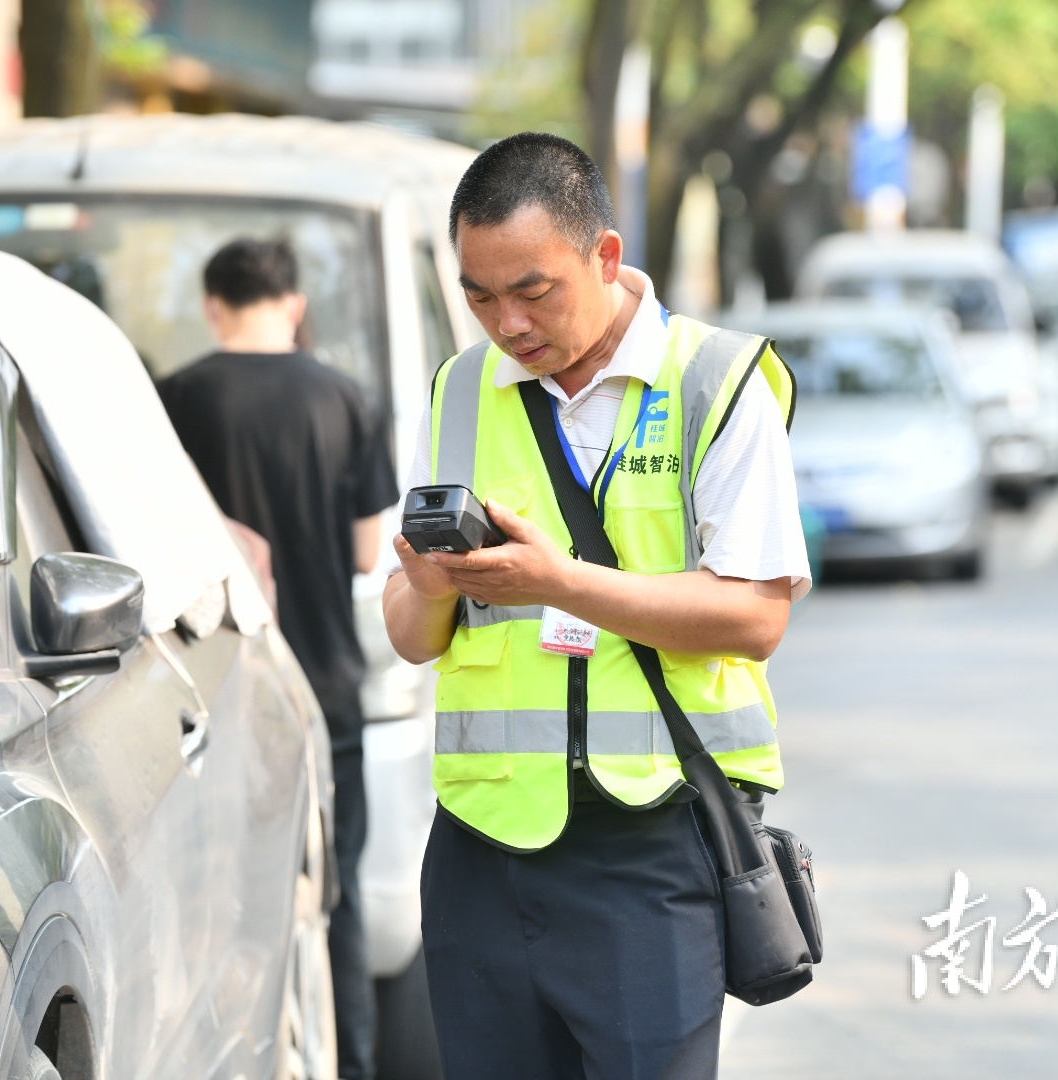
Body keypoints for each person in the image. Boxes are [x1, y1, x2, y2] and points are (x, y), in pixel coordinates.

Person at [382, 133, 811, 1079]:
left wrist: (555, 581)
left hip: (650, 843)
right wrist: (431, 582)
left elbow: (756, 617)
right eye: (479, 295)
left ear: (605, 257)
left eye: (533, 291)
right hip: (481, 846)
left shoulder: (718, 381)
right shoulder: (459, 393)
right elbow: (410, 638)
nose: (507, 323)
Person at [158, 237, 399, 1080]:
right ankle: (352, 1066)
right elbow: (371, 552)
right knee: (332, 901)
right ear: (293, 305)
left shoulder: (176, 398)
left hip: (208, 693)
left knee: (216, 906)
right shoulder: (348, 398)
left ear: (213, 305)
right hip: (324, 686)